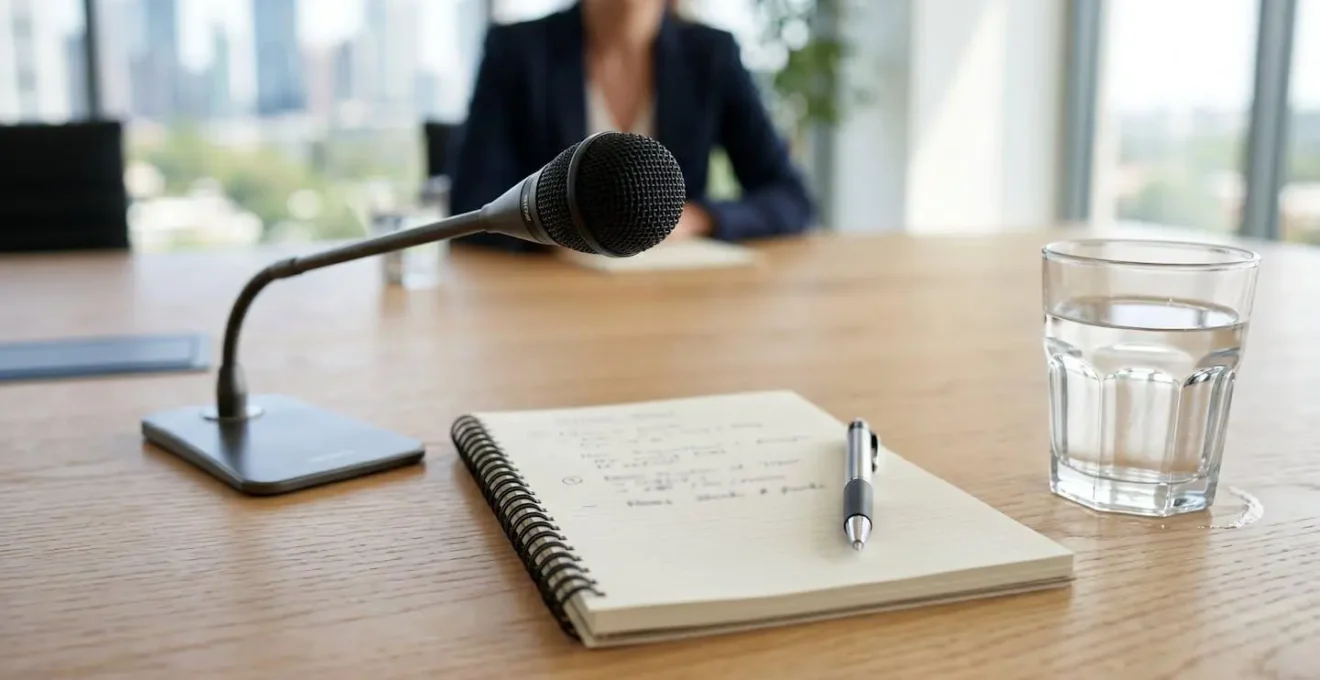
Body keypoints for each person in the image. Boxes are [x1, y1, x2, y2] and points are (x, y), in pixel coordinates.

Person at [447, 0, 816, 253]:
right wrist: (569, 229)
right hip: (547, 291)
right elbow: (472, 205)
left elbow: (790, 198)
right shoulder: (516, 51)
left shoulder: (711, 55)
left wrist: (697, 219)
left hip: (670, 289)